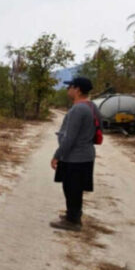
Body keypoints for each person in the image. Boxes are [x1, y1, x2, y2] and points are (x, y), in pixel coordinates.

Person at [50, 76, 99, 231]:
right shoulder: (92, 106)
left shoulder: (78, 109)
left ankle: (73, 221)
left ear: (77, 89)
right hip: (85, 154)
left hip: (75, 157)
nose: (67, 89)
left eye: (69, 86)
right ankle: (73, 215)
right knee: (74, 188)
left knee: (72, 188)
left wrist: (57, 155)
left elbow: (70, 137)